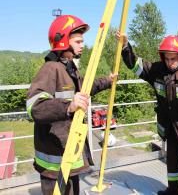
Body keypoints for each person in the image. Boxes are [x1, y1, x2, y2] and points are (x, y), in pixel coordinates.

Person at [116, 31, 178, 195]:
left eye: (174, 59)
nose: (170, 63)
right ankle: (174, 191)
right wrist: (125, 45)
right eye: (167, 58)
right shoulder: (156, 70)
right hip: (170, 129)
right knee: (173, 164)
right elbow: (134, 65)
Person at [26, 15, 116, 195]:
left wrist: (108, 80)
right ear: (63, 41)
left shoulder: (69, 68)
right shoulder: (51, 68)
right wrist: (68, 106)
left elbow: (85, 87)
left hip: (67, 153)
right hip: (55, 162)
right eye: (78, 41)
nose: (82, 45)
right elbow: (34, 107)